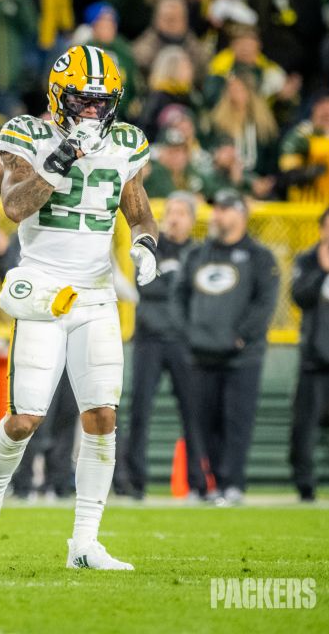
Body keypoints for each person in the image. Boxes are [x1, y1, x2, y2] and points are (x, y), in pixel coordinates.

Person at [0, 44, 158, 571]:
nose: (92, 111)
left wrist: (146, 245)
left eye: (100, 101)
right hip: (43, 288)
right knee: (24, 419)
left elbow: (138, 209)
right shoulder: (28, 134)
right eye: (82, 101)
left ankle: (85, 543)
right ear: (58, 97)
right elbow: (15, 205)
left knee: (102, 415)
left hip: (95, 293)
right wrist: (63, 158)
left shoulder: (129, 143)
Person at [172, 190, 280, 506]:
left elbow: (265, 303)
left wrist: (242, 336)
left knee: (236, 422)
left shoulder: (260, 257)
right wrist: (188, 333)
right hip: (201, 353)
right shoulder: (196, 255)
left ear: (240, 214)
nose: (216, 216)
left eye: (223, 210)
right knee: (202, 422)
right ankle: (207, 485)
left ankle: (233, 484)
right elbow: (178, 298)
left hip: (241, 356)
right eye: (215, 210)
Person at [117, 191, 207, 500]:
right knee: (140, 412)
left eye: (181, 212)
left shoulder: (198, 254)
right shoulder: (151, 248)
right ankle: (134, 482)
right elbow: (149, 286)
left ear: (192, 220)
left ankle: (199, 482)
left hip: (184, 342)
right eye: (170, 210)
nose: (173, 217)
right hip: (150, 340)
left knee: (193, 413)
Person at [289, 206, 329, 502]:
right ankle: (305, 486)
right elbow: (299, 297)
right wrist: (322, 272)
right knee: (304, 429)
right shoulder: (308, 259)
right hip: (315, 359)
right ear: (321, 230)